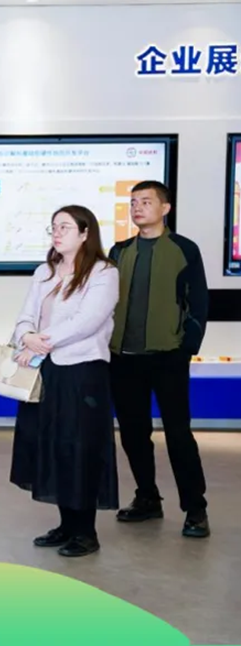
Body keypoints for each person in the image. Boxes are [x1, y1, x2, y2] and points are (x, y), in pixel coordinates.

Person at [9, 205, 120, 558]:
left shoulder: (104, 272)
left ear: (85, 233)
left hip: (82, 372)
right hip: (47, 371)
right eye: (53, 227)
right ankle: (66, 524)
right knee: (53, 446)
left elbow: (87, 321)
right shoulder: (44, 271)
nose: (57, 233)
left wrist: (40, 341)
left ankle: (85, 531)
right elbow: (25, 316)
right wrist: (26, 336)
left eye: (65, 227)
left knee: (80, 448)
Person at [108, 181, 210, 538]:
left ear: (165, 208)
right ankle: (147, 498)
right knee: (133, 434)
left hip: (168, 358)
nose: (137, 207)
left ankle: (195, 509)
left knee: (179, 435)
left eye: (146, 201)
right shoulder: (120, 251)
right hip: (124, 359)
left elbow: (198, 302)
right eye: (133, 202)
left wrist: (186, 348)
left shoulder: (184, 249)